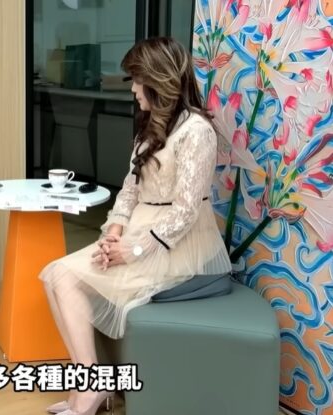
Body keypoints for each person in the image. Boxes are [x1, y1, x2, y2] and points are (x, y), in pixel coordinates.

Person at [39, 37, 232, 415]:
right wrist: (112, 233)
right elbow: (129, 190)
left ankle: (91, 389)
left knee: (64, 277)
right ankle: (90, 384)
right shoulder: (151, 126)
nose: (132, 89)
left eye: (137, 80)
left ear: (158, 81)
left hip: (183, 244)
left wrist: (135, 248)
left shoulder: (197, 132)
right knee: (54, 275)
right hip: (140, 232)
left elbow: (186, 211)